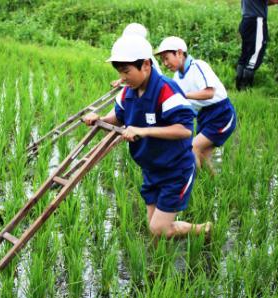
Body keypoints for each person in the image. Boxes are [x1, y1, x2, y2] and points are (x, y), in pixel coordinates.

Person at [83, 35, 211, 240]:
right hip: (151, 169)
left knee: (158, 229)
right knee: (155, 229)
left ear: (145, 65)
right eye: (119, 72)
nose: (123, 77)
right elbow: (118, 116)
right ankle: (159, 265)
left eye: (126, 71)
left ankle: (203, 230)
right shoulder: (127, 92)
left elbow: (185, 130)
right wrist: (99, 118)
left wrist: (143, 131)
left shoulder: (165, 90)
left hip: (175, 169)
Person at [156, 36, 237, 173]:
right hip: (203, 115)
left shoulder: (198, 66)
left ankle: (195, 185)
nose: (165, 63)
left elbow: (209, 93)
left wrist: (183, 95)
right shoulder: (177, 77)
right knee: (202, 155)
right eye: (162, 60)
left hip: (221, 114)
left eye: (166, 58)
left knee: (193, 148)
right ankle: (210, 187)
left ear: (179, 53)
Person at [236, 0, 278, 90]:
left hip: (246, 20)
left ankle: (239, 85)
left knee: (245, 54)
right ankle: (246, 88)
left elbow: (266, 2)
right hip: (256, 21)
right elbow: (274, 0)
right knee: (255, 54)